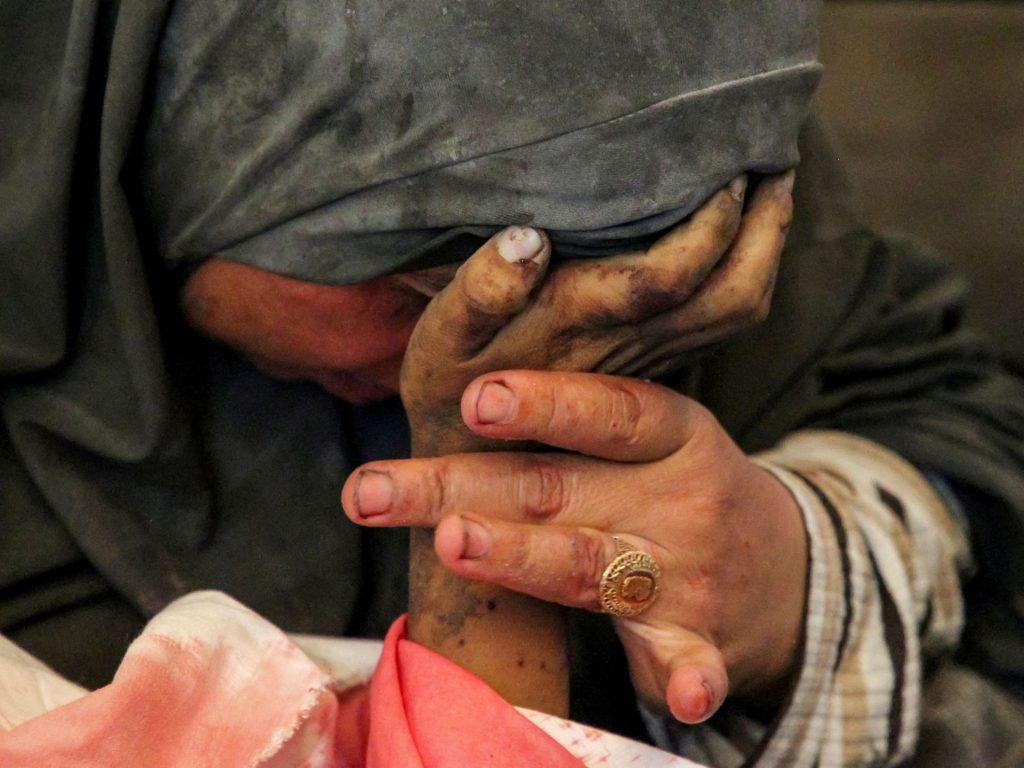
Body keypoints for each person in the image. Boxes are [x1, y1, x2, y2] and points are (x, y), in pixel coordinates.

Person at [2, 2, 1024, 766]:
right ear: (159, 130)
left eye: (627, 306)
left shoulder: (663, 95)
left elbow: (950, 427)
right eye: (429, 291)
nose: (513, 367)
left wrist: (798, 568)